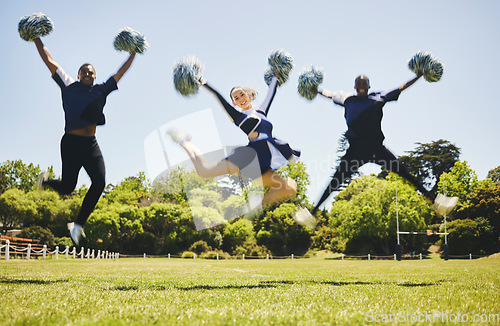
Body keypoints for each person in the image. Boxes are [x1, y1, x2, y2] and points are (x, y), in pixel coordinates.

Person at [32, 37, 136, 245]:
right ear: (78, 75)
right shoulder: (69, 85)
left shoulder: (101, 89)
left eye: (91, 72)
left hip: (90, 145)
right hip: (71, 143)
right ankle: (45, 182)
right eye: (84, 71)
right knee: (68, 187)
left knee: (99, 183)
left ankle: (77, 225)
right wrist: (36, 36)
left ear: (95, 76)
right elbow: (49, 60)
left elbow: (120, 73)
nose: (88, 74)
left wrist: (133, 52)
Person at [168, 73, 300, 210]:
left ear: (248, 95)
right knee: (203, 171)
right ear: (234, 103)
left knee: (289, 189)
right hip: (249, 157)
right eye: (236, 98)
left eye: (242, 94)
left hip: (264, 159)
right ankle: (184, 141)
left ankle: (256, 208)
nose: (240, 98)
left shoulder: (261, 112)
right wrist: (203, 82)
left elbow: (270, 94)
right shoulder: (239, 117)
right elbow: (218, 97)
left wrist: (275, 77)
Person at [312, 73, 435, 213]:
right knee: (336, 180)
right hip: (356, 151)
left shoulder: (379, 97)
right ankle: (313, 211)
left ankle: (432, 198)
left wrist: (419, 75)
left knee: (404, 172)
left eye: (364, 83)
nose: (362, 85)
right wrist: (315, 89)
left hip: (376, 149)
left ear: (369, 86)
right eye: (359, 83)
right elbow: (329, 94)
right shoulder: (348, 99)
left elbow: (402, 87)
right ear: (355, 86)